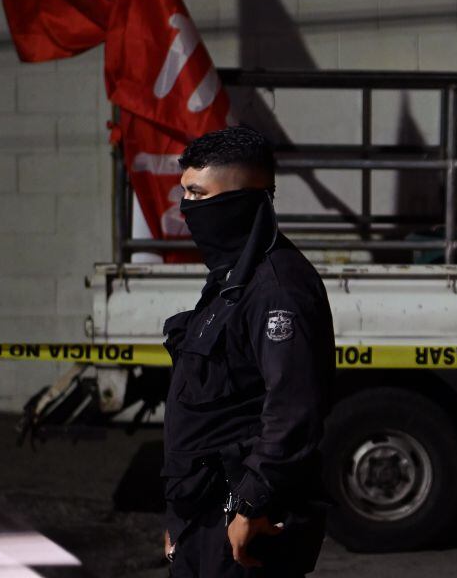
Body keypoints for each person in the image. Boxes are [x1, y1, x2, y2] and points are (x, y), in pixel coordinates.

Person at [160, 126, 335, 577]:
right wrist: (181, 516)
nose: (186, 210)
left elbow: (293, 411)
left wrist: (249, 504)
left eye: (199, 196)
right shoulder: (230, 279)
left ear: (241, 200)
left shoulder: (278, 290)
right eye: (185, 195)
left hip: (244, 522)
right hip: (203, 515)